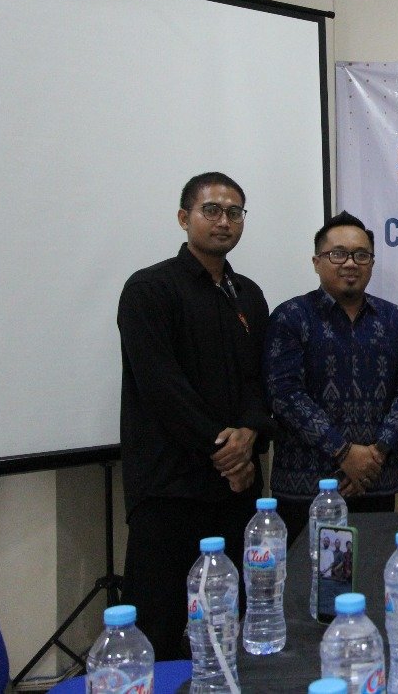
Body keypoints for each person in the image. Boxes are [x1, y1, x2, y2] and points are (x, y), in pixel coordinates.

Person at [117, 171, 273, 659]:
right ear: (184, 218)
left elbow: (258, 380)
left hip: (235, 491)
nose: (224, 221)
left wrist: (249, 435)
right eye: (212, 210)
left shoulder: (248, 294)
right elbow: (162, 388)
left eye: (234, 212)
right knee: (159, 629)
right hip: (169, 488)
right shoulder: (149, 289)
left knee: (234, 627)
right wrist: (225, 452)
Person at [265, 211, 398, 535]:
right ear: (317, 262)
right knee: (306, 569)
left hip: (374, 482)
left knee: (374, 566)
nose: (350, 263)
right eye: (338, 254)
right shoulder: (291, 317)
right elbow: (284, 394)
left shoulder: (395, 320)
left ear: (372, 262)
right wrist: (344, 452)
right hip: (305, 487)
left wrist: (375, 453)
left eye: (361, 255)